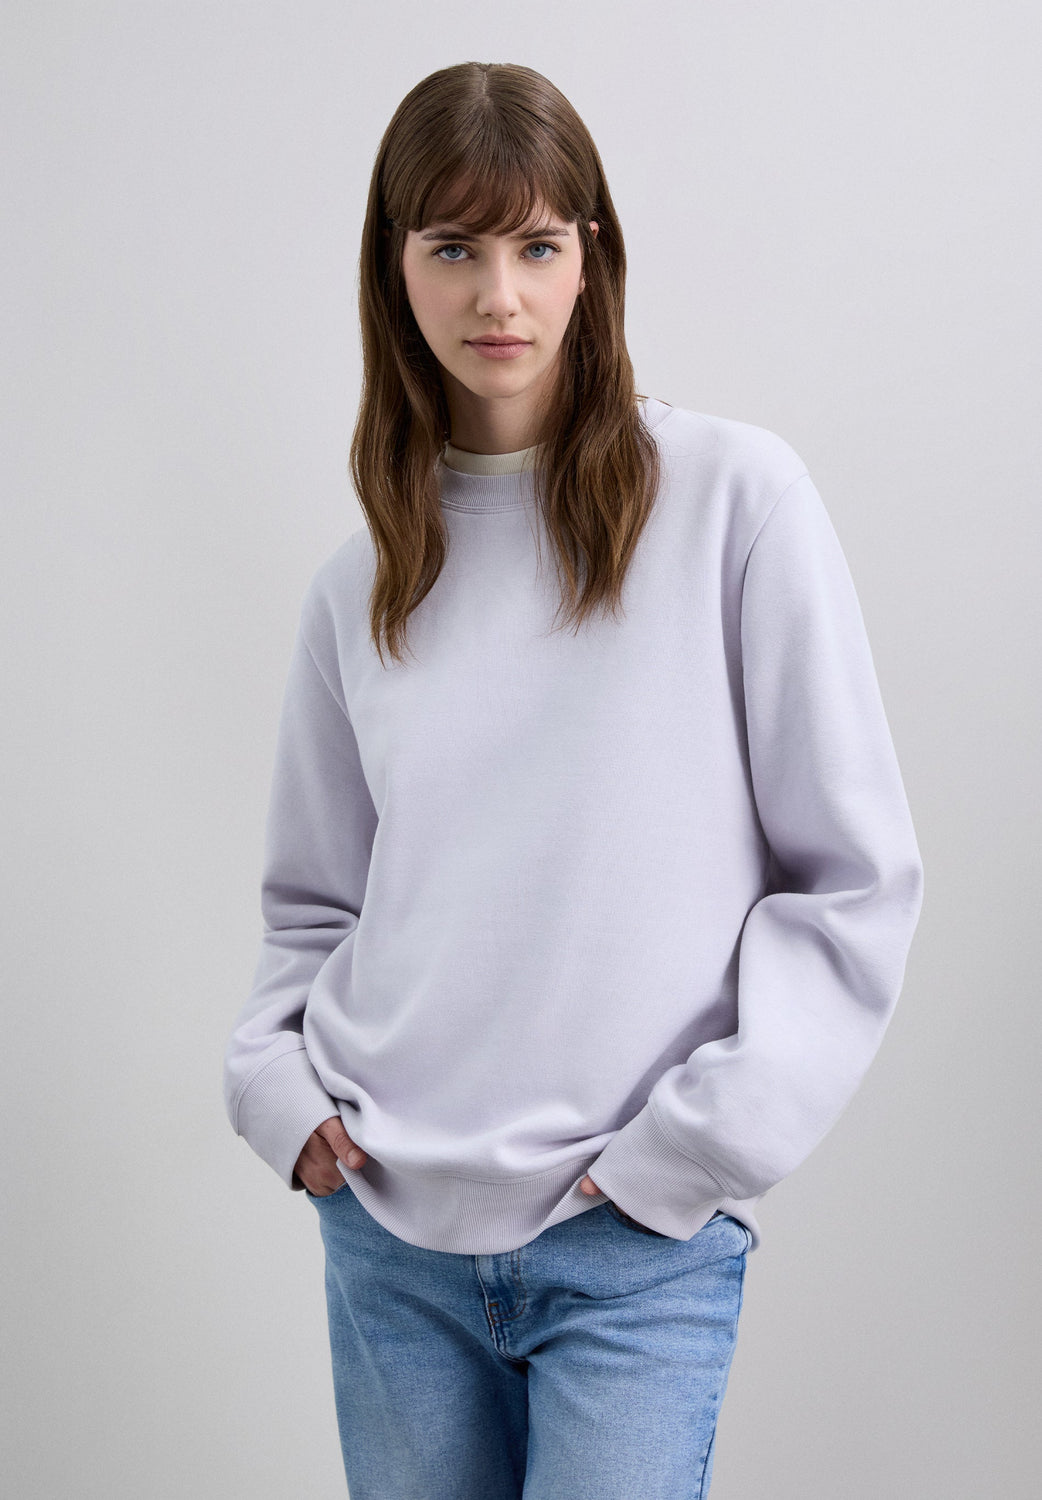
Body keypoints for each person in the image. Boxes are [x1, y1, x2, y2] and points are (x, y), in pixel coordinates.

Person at [222, 60, 924, 1499]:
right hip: (388, 1233)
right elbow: (312, 906)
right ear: (394, 268)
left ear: (591, 256)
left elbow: (853, 880)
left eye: (538, 245)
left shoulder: (734, 502)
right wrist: (278, 1094)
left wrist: (691, 1153)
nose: (500, 296)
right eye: (454, 249)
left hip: (631, 1244)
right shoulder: (360, 584)